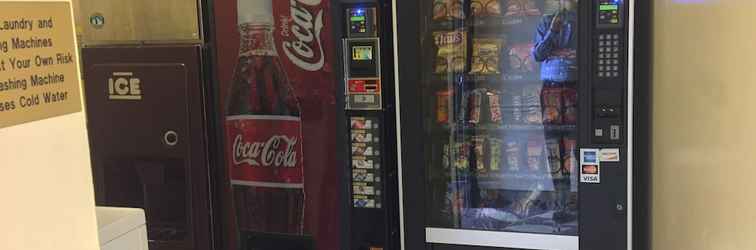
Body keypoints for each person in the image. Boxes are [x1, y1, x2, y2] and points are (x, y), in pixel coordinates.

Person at [532, 0, 578, 232]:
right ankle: (561, 204)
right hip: (550, 90)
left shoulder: (583, 21)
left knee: (576, 149)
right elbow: (538, 55)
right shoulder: (545, 22)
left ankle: (579, 200)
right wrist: (553, 32)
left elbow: (583, 56)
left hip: (575, 91)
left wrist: (558, 52)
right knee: (555, 151)